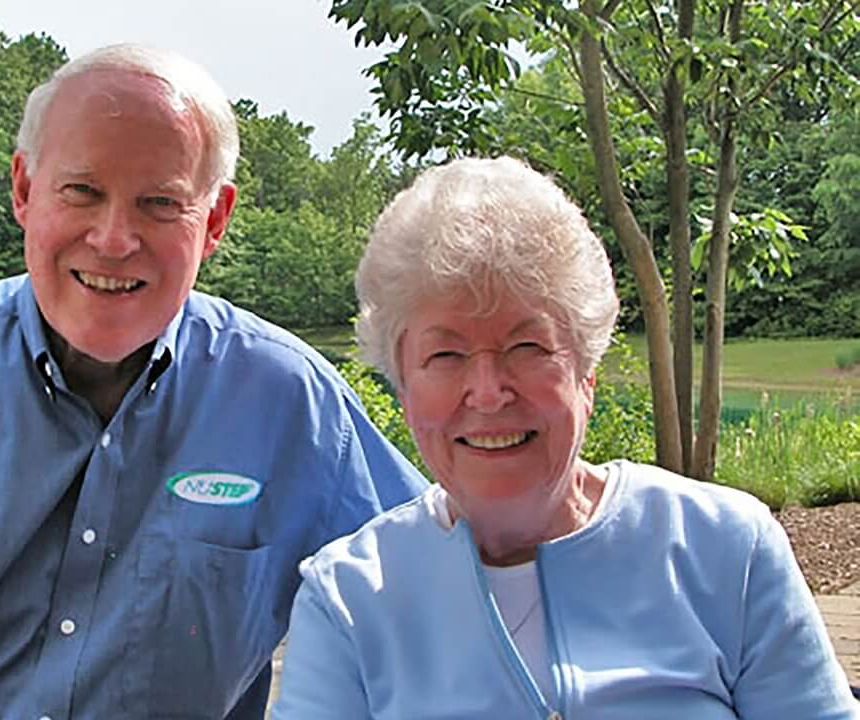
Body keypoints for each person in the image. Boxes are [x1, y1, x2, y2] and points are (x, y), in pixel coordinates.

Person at [0, 44, 426, 719]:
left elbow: (436, 594)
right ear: (24, 190)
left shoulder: (291, 406)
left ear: (213, 219)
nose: (114, 238)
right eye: (82, 192)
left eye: (160, 203)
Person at [271, 156, 858, 719]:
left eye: (527, 347)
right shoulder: (348, 598)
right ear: (404, 388)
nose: (488, 390)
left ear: (586, 374)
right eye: (444, 354)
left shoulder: (726, 548)